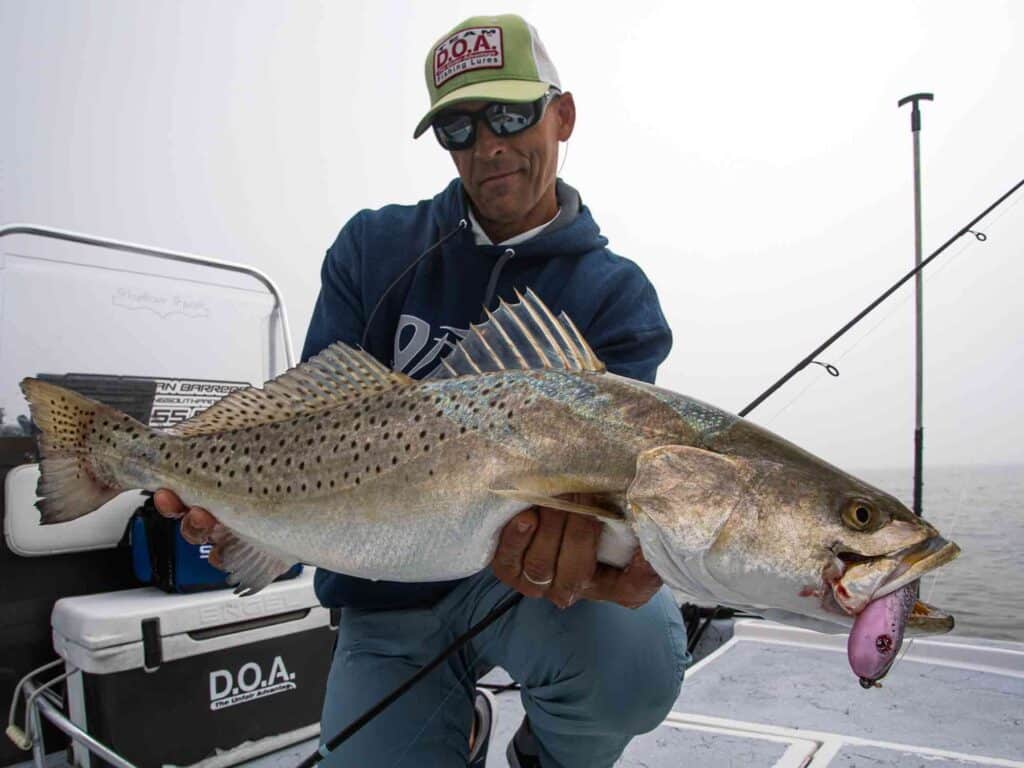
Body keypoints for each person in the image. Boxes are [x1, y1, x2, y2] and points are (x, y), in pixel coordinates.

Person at [156, 13, 689, 767]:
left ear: (562, 114)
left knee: (634, 659)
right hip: (381, 590)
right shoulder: (375, 249)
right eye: (460, 128)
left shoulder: (616, 298)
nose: (489, 145)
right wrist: (248, 517)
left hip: (526, 589)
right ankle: (456, 722)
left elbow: (606, 489)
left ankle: (546, 751)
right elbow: (310, 417)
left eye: (510, 114)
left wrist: (619, 556)